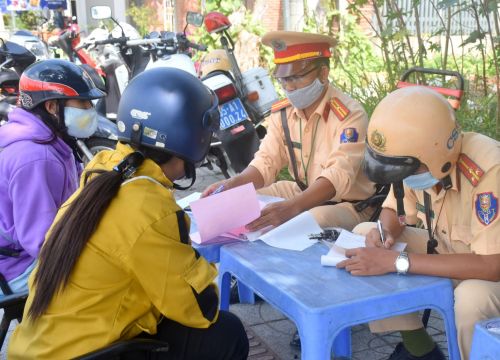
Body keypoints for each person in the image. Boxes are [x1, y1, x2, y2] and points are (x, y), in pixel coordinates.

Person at [8, 67, 249, 360]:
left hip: (36, 348)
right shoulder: (149, 207)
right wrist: (193, 263)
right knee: (227, 332)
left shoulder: (104, 168)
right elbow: (201, 308)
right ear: (193, 138)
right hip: (88, 353)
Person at [337, 86, 500, 360]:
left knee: (472, 300)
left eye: (409, 171)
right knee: (363, 233)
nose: (405, 177)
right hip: (451, 250)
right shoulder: (414, 159)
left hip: (490, 269)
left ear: (436, 157)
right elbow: (394, 209)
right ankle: (420, 348)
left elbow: (492, 265)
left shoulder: (488, 169)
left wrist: (395, 262)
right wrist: (385, 232)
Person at [203, 31, 377, 232]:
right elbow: (266, 162)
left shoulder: (349, 115)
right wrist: (233, 185)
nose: (289, 87)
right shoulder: (283, 113)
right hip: (301, 192)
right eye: (283, 80)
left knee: (312, 220)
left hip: (349, 204)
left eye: (296, 77)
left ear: (323, 73)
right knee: (244, 202)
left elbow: (337, 175)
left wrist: (292, 208)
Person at [0, 59, 105, 294]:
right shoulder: (36, 157)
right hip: (17, 267)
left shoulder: (53, 140)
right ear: (51, 107)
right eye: (83, 102)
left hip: (24, 253)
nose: (89, 109)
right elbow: (42, 243)